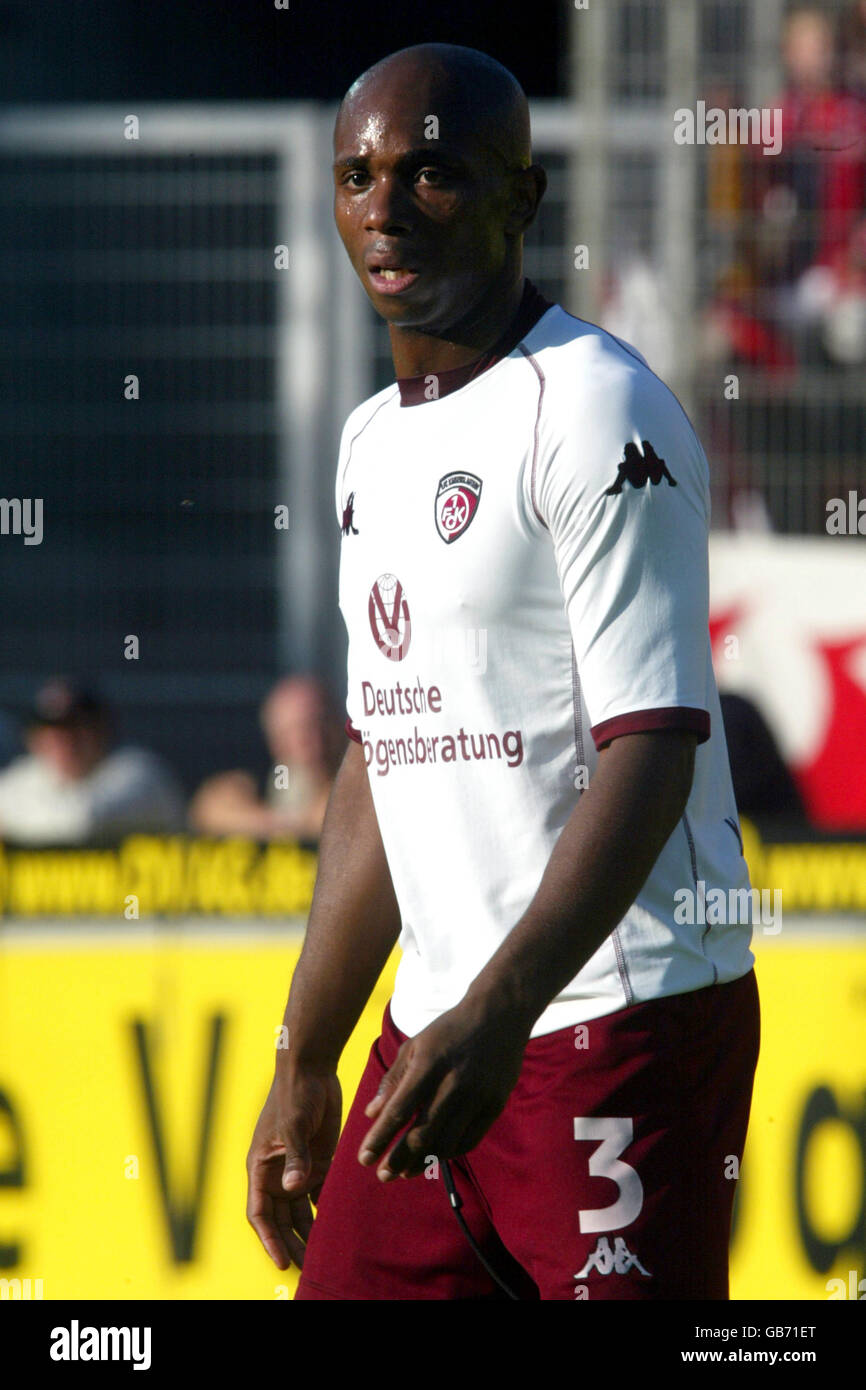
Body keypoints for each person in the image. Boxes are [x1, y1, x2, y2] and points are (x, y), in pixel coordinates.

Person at [246, 43, 760, 1302]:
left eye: (430, 173)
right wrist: (307, 1054)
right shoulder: (369, 442)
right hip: (434, 1039)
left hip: (610, 1028)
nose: (384, 205)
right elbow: (382, 753)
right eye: (357, 175)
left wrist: (506, 1006)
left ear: (519, 201)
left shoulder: (597, 411)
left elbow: (650, 743)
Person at [0, 676, 185, 845]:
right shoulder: (21, 779)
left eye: (75, 728)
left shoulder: (140, 774)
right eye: (50, 731)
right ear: (32, 738)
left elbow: (80, 823)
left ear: (101, 730)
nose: (63, 741)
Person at [188, 674, 342, 842]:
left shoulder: (355, 782)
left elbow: (336, 816)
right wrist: (282, 823)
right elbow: (208, 810)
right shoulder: (274, 778)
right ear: (275, 740)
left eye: (321, 724)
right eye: (296, 730)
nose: (314, 741)